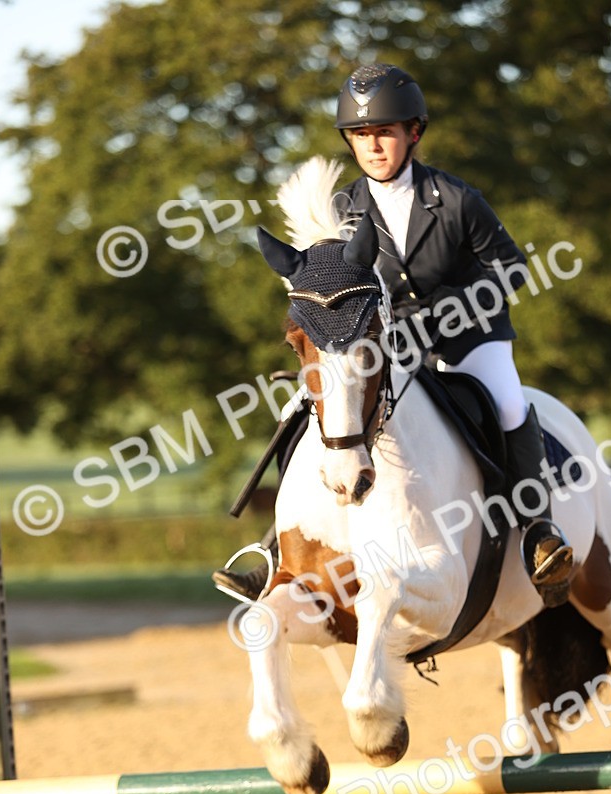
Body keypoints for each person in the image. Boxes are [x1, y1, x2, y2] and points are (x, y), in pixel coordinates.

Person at [213, 63, 573, 607]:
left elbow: (512, 269)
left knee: (505, 405)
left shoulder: (455, 200)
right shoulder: (343, 210)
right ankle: (272, 552)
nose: (373, 146)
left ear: (413, 133)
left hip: (469, 339)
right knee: (303, 409)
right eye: (360, 136)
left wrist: (447, 312)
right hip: (382, 343)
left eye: (384, 132)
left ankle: (538, 533)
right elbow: (327, 283)